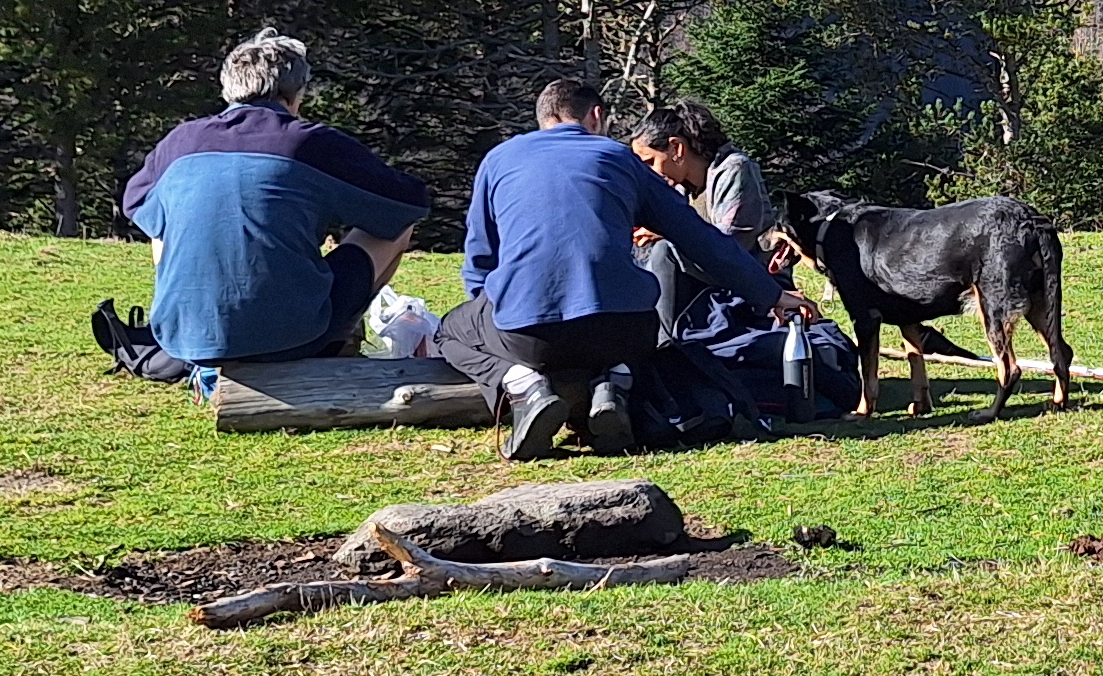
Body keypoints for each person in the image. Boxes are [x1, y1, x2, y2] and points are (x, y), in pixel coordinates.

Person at [442, 77, 774, 458]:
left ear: (542, 118)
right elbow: (704, 240)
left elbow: (481, 256)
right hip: (626, 330)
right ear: (596, 116)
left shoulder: (499, 159)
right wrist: (771, 294)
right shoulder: (622, 160)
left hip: (529, 336)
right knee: (628, 320)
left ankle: (522, 384)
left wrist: (491, 315)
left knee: (448, 331)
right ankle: (613, 382)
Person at [108, 30, 430, 382]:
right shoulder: (309, 142)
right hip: (291, 338)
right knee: (396, 229)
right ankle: (338, 339)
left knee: (162, 220)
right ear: (296, 91)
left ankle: (199, 321)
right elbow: (407, 202)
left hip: (182, 340)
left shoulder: (181, 140)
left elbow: (135, 201)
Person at [627, 96, 775, 324]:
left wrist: (666, 232)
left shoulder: (735, 170)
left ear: (676, 148)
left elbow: (729, 251)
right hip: (700, 292)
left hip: (750, 290)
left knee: (663, 250)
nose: (648, 173)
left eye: (649, 162)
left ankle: (661, 343)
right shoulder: (677, 187)